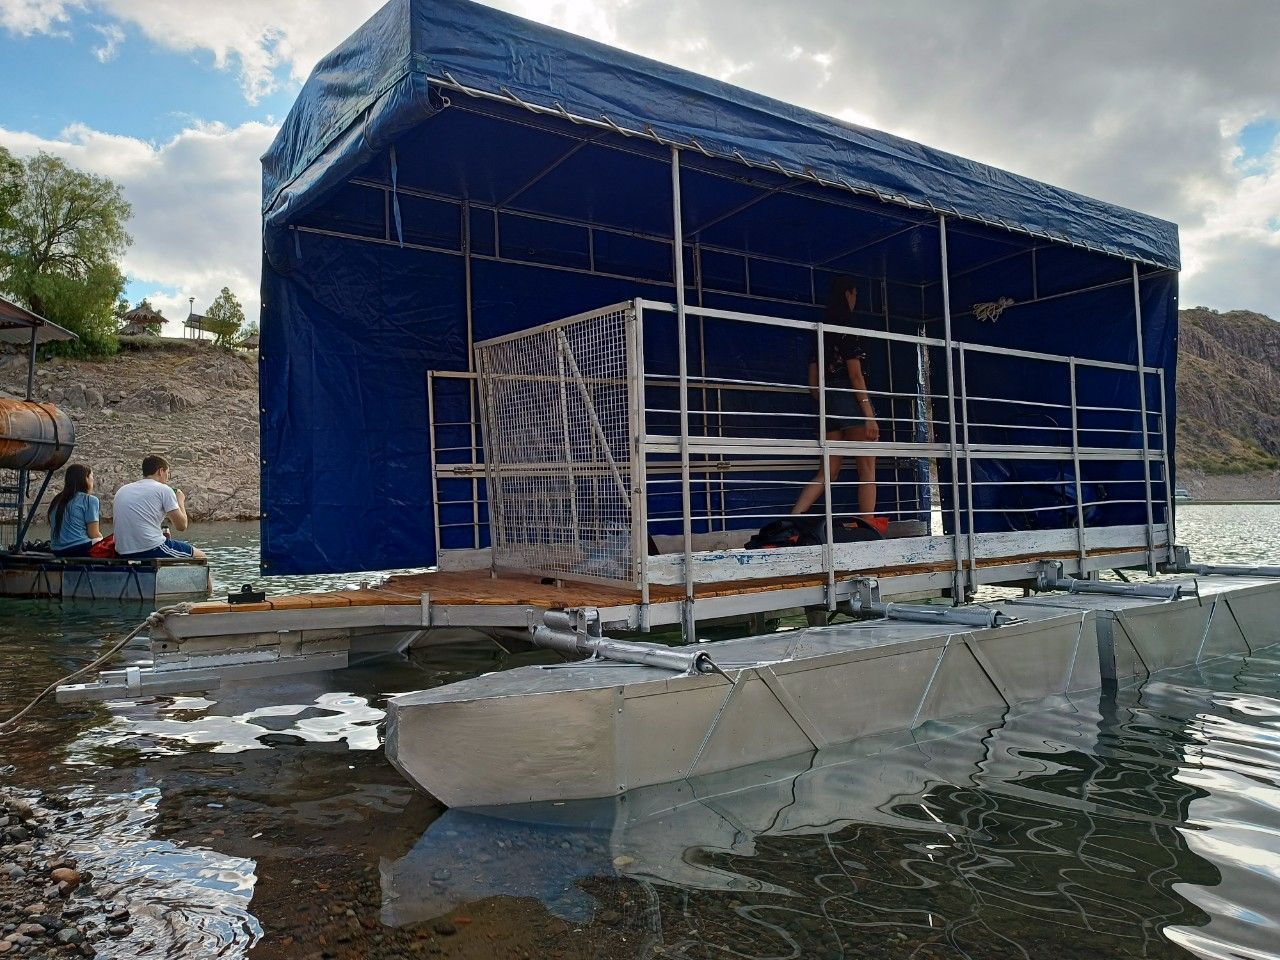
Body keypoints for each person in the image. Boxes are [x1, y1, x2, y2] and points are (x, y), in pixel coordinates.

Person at [791, 276, 880, 520]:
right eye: (855, 294)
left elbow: (813, 384)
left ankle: (792, 520)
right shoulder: (847, 330)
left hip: (828, 405)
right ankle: (867, 527)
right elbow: (855, 375)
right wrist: (869, 415)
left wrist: (828, 405)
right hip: (851, 402)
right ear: (848, 295)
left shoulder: (821, 333)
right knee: (867, 471)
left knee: (826, 473)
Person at [112, 455, 206, 560]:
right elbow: (182, 526)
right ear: (160, 471)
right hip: (150, 548)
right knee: (201, 556)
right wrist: (180, 501)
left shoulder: (122, 490)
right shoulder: (164, 489)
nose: (167, 478)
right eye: (167, 473)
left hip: (122, 551)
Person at [48, 464, 103, 557]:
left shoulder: (57, 500)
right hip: (79, 549)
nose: (93, 481)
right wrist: (102, 539)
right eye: (91, 477)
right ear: (86, 478)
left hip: (56, 550)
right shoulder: (90, 500)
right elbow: (93, 534)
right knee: (103, 541)